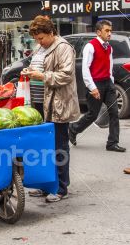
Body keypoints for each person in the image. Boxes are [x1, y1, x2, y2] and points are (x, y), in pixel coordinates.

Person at [22, 16, 80, 202]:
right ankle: (46, 185)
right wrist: (29, 71)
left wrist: (41, 75)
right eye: (36, 39)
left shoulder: (63, 47)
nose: (38, 42)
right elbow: (35, 66)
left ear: (51, 32)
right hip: (39, 104)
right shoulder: (41, 48)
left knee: (59, 147)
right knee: (43, 147)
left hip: (57, 105)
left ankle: (61, 188)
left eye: (41, 38)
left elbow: (66, 75)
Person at [69, 20, 126, 153]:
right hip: (96, 84)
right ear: (98, 32)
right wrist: (92, 87)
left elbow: (109, 65)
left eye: (110, 31)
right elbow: (85, 68)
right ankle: (73, 128)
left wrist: (111, 81)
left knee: (114, 113)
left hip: (108, 83)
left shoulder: (109, 48)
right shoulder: (91, 46)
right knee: (93, 115)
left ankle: (112, 143)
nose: (109, 33)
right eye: (107, 31)